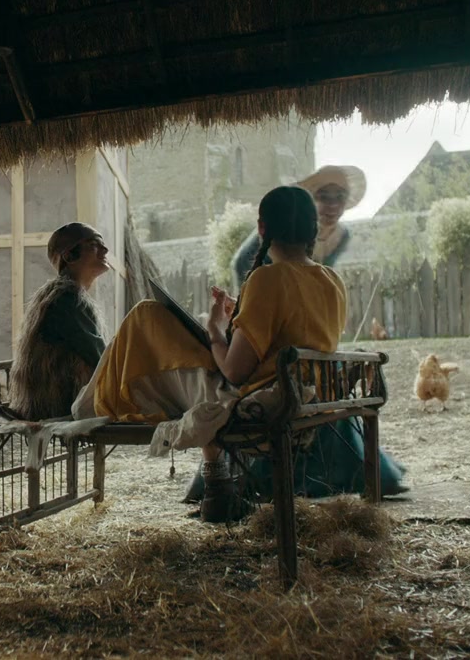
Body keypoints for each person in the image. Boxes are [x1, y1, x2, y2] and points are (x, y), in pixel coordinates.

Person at [67, 186, 355, 521]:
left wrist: (216, 329)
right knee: (160, 330)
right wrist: (239, 320)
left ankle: (86, 408)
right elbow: (289, 333)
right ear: (313, 229)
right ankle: (216, 488)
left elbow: (235, 372)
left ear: (262, 228)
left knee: (145, 317)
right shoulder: (331, 280)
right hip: (306, 393)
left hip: (258, 400)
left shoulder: (268, 279)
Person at [7, 222, 111, 420]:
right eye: (94, 244)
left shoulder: (63, 296)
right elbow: (99, 357)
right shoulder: (66, 298)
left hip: (59, 402)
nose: (105, 250)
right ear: (69, 256)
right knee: (144, 313)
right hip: (64, 405)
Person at [231, 165, 365, 290]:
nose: (333, 205)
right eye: (324, 196)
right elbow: (243, 262)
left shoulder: (341, 236)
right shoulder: (287, 224)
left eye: (340, 197)